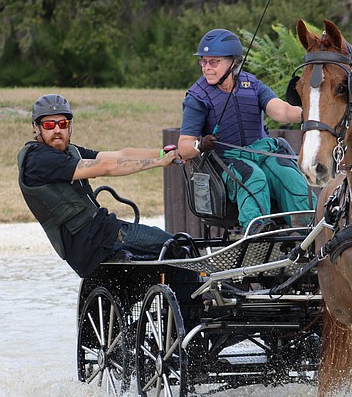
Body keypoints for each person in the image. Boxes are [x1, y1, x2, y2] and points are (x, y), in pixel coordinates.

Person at [18, 94, 179, 278]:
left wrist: (164, 152)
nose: (57, 130)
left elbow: (121, 154)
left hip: (98, 236)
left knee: (162, 257)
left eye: (62, 124)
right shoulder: (39, 160)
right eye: (49, 125)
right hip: (94, 240)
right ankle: (198, 303)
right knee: (176, 245)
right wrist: (160, 162)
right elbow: (106, 166)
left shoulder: (69, 152)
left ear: (70, 127)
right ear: (36, 128)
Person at [177, 28, 314, 232]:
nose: (206, 68)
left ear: (233, 62)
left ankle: (307, 229)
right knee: (253, 176)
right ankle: (256, 232)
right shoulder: (197, 97)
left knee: (289, 175)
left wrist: (310, 115)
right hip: (226, 160)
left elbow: (282, 111)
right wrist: (200, 144)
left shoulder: (252, 85)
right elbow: (184, 147)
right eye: (203, 62)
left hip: (259, 150)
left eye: (213, 62)